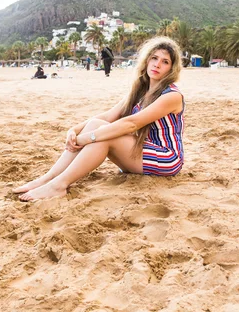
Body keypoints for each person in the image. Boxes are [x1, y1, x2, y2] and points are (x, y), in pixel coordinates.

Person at [14, 36, 185, 201]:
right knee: (97, 125)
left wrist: (87, 138)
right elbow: (108, 116)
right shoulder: (141, 90)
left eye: (165, 62)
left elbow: (131, 124)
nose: (157, 64)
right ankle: (47, 178)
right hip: (144, 150)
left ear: (171, 69)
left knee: (104, 136)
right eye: (154, 58)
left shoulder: (172, 96)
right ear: (147, 60)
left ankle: (58, 185)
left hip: (167, 158)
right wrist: (74, 130)